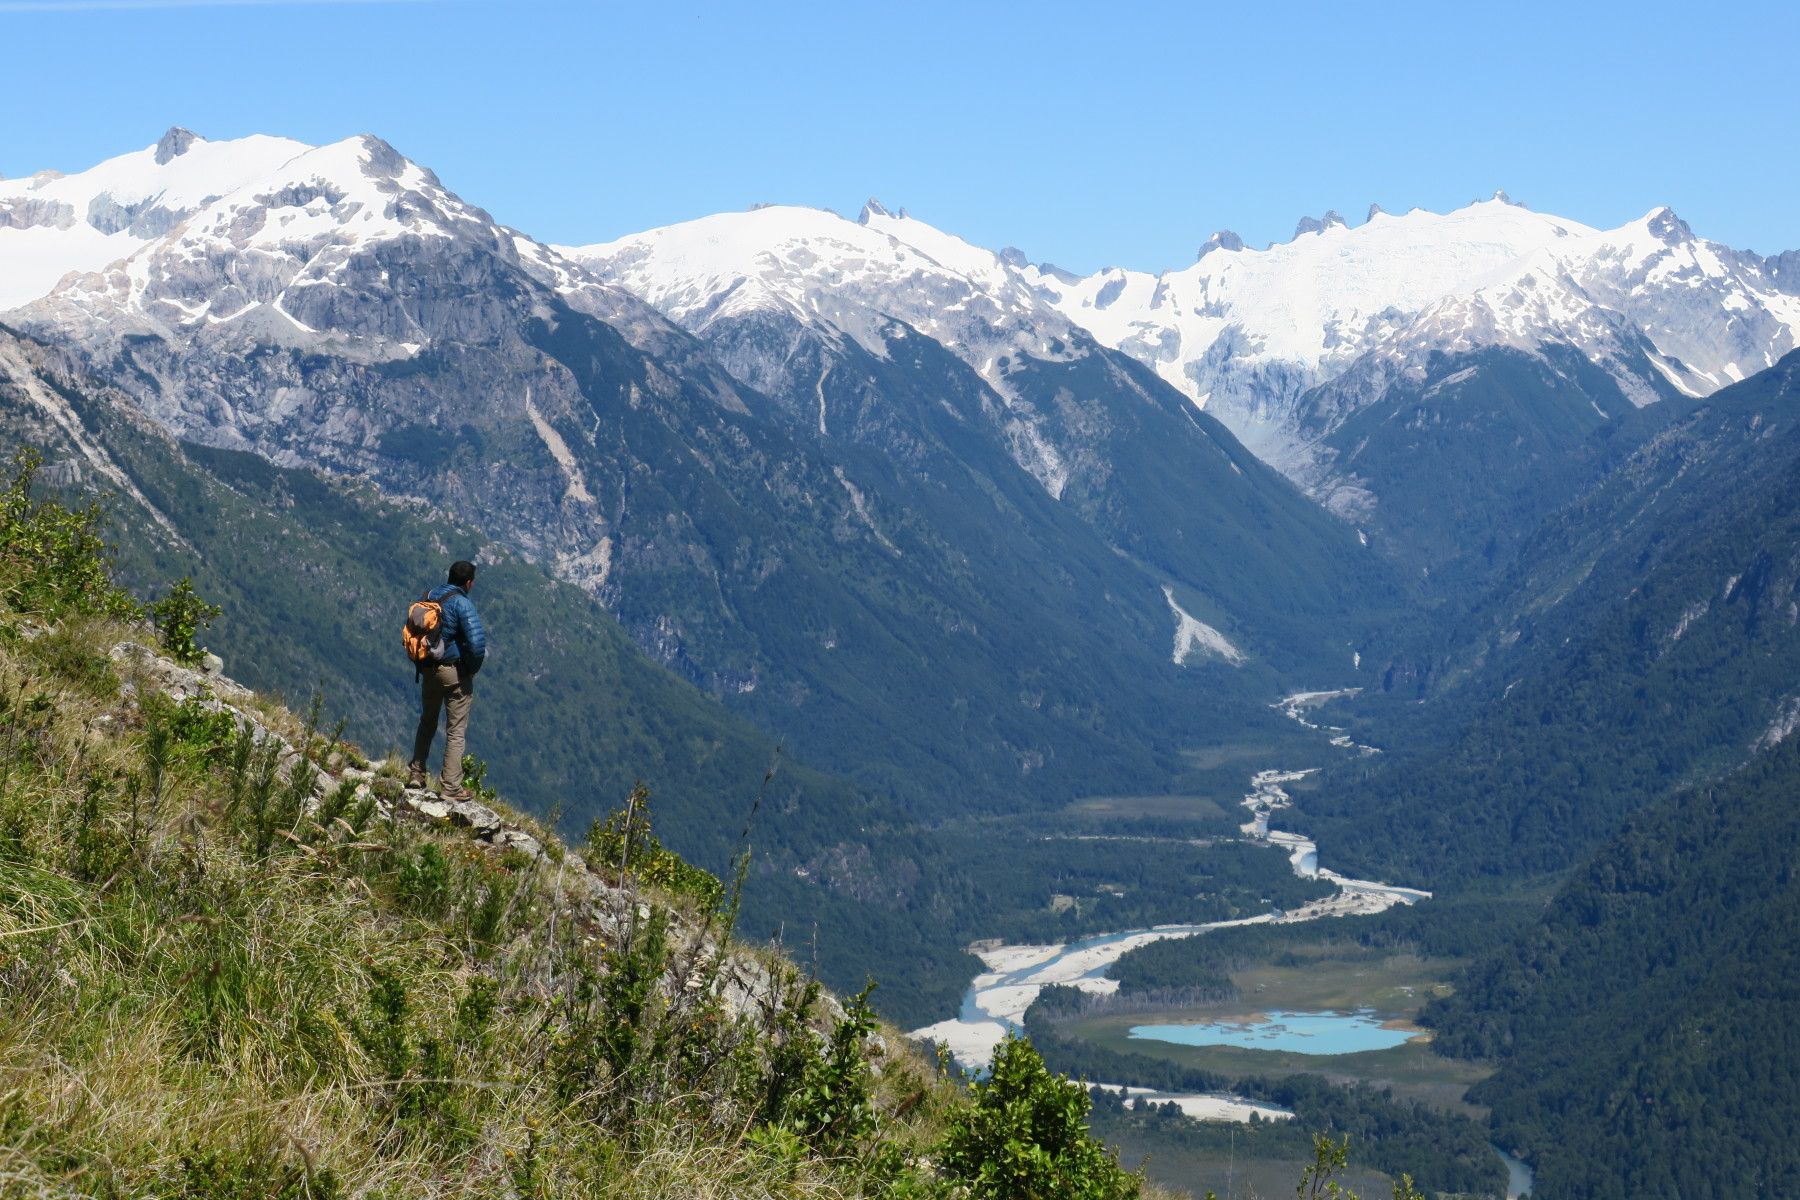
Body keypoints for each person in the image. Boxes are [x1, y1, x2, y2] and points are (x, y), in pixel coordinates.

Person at [407, 560, 487, 797]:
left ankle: (416, 774)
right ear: (469, 583)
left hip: (428, 668)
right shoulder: (463, 604)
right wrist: (468, 670)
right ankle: (451, 786)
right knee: (455, 730)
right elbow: (477, 644)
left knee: (427, 721)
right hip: (453, 671)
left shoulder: (430, 595)